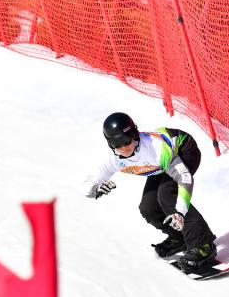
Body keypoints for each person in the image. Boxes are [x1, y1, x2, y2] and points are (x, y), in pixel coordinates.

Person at [84, 112, 217, 273]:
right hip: (158, 167)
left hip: (183, 150)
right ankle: (179, 237)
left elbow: (184, 177)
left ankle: (203, 245)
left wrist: (180, 212)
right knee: (148, 207)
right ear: (109, 143)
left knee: (166, 195)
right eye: (117, 144)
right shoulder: (114, 159)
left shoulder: (155, 147)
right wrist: (95, 189)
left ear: (135, 134)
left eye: (127, 140)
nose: (124, 147)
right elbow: (89, 183)